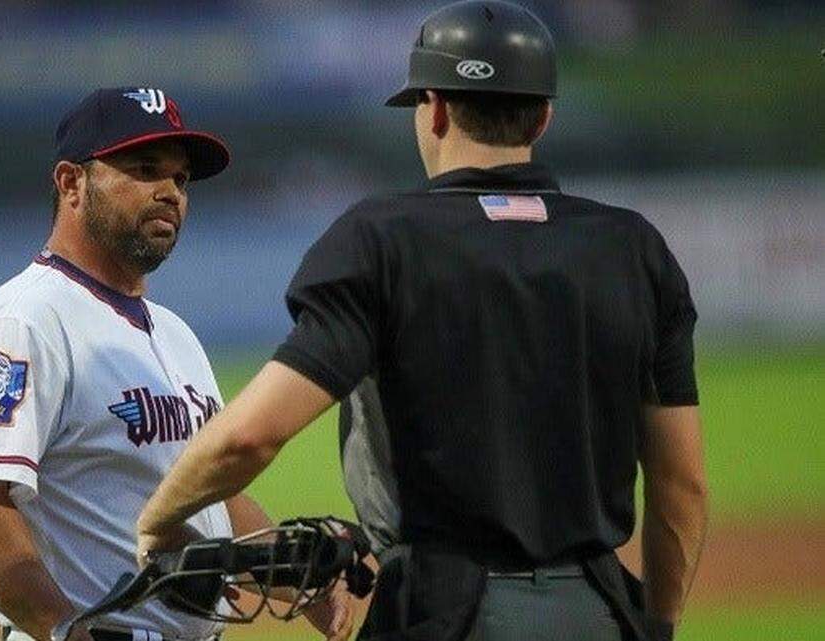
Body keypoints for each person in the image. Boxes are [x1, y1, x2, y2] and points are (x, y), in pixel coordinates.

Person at [136, 3, 709, 641]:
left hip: (441, 614)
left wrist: (158, 520)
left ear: (433, 109)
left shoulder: (382, 241)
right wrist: (656, 625)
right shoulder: (633, 250)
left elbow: (250, 437)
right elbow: (681, 484)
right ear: (543, 116)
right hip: (596, 612)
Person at [0, 87, 350, 641]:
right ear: (71, 183)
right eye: (145, 169)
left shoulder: (174, 334)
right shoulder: (24, 322)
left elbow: (213, 496)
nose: (169, 192)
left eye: (181, 179)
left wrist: (296, 578)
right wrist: (64, 631)